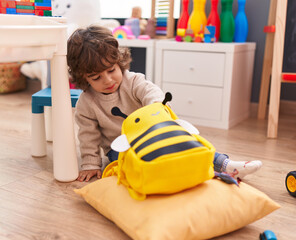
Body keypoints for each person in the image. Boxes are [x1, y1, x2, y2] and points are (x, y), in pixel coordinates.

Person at [67, 25, 262, 182]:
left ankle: (226, 165)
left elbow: (152, 93)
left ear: (119, 61)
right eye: (96, 77)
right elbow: (88, 136)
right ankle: (173, 175)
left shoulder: (133, 81)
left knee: (187, 143)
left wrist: (158, 108)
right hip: (120, 149)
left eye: (111, 70)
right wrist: (90, 163)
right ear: (84, 78)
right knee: (132, 164)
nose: (108, 80)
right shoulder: (87, 103)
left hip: (154, 134)